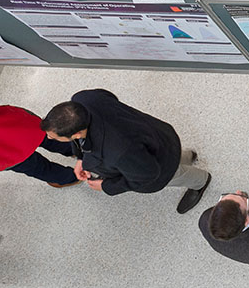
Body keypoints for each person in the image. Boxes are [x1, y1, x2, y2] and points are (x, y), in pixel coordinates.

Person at [40, 89, 212, 214]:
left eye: (54, 138)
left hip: (155, 163)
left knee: (175, 172)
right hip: (156, 134)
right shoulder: (83, 99)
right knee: (173, 154)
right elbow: (110, 97)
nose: (49, 139)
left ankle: (201, 181)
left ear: (76, 133)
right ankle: (187, 156)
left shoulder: (118, 152)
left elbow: (148, 174)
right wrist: (80, 157)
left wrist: (107, 186)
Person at [0, 54, 79, 188]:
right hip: (23, 128)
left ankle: (70, 177)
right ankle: (77, 150)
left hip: (4, 158)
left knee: (39, 168)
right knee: (51, 138)